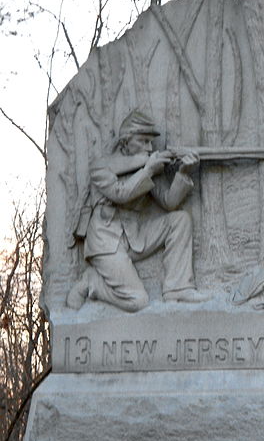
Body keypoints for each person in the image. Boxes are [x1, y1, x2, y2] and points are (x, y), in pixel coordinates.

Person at [67, 109, 209, 311]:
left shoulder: (148, 165)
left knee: (180, 219)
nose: (149, 147)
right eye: (143, 141)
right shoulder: (101, 167)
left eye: (150, 142)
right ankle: (92, 283)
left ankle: (178, 288)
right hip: (106, 242)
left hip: (136, 238)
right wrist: (148, 169)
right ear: (126, 141)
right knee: (138, 300)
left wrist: (183, 173)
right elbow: (120, 194)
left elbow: (169, 202)